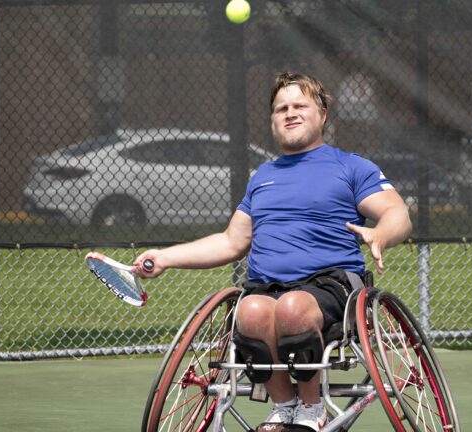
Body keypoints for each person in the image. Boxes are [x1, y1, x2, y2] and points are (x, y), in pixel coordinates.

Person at [134, 71, 411, 431]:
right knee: (248, 310)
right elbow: (232, 241)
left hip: (331, 288)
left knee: (293, 308)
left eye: (300, 106)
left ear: (322, 115)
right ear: (272, 120)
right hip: (266, 287)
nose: (290, 113)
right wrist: (167, 257)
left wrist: (380, 235)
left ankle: (312, 409)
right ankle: (284, 406)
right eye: (281, 108)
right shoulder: (262, 176)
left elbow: (397, 213)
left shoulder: (351, 167)